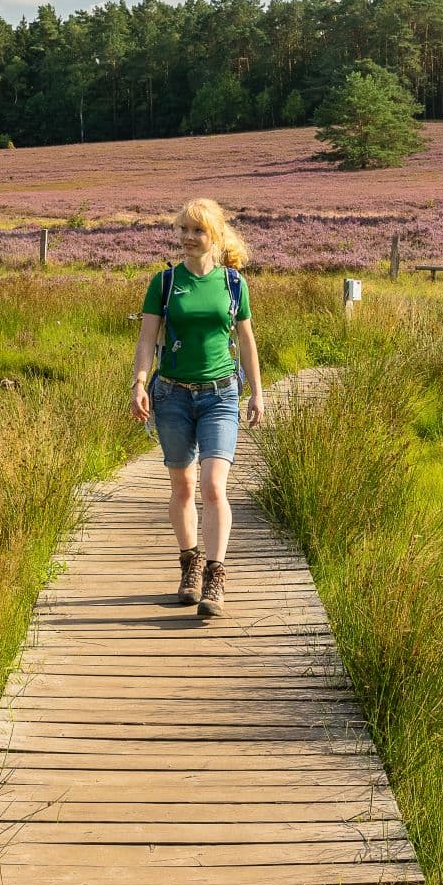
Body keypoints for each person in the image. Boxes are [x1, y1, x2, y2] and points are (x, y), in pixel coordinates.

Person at [129, 198, 265, 619]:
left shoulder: (233, 285)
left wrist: (257, 393)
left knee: (212, 485)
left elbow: (246, 342)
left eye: (197, 231)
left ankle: (215, 575)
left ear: (215, 236)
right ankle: (189, 566)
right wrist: (138, 383)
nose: (188, 238)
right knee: (183, 488)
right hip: (171, 395)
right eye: (183, 230)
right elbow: (147, 339)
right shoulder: (165, 282)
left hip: (221, 395)